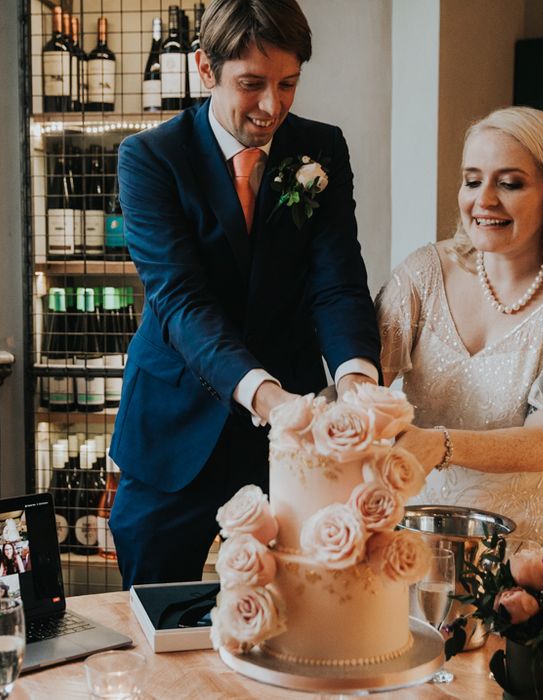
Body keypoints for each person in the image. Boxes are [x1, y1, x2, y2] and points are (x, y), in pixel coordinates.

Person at [109, 0, 381, 588]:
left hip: (292, 443)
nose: (272, 106)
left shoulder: (321, 148)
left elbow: (337, 280)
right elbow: (181, 300)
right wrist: (268, 399)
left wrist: (357, 382)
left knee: (294, 613)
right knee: (159, 619)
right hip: (175, 432)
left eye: (288, 84)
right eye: (251, 84)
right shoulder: (151, 158)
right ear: (206, 69)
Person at [376, 106, 543, 553]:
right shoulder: (424, 272)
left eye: (510, 183)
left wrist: (438, 445)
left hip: (533, 539)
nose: (484, 200)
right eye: (473, 180)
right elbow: (365, 384)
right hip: (422, 528)